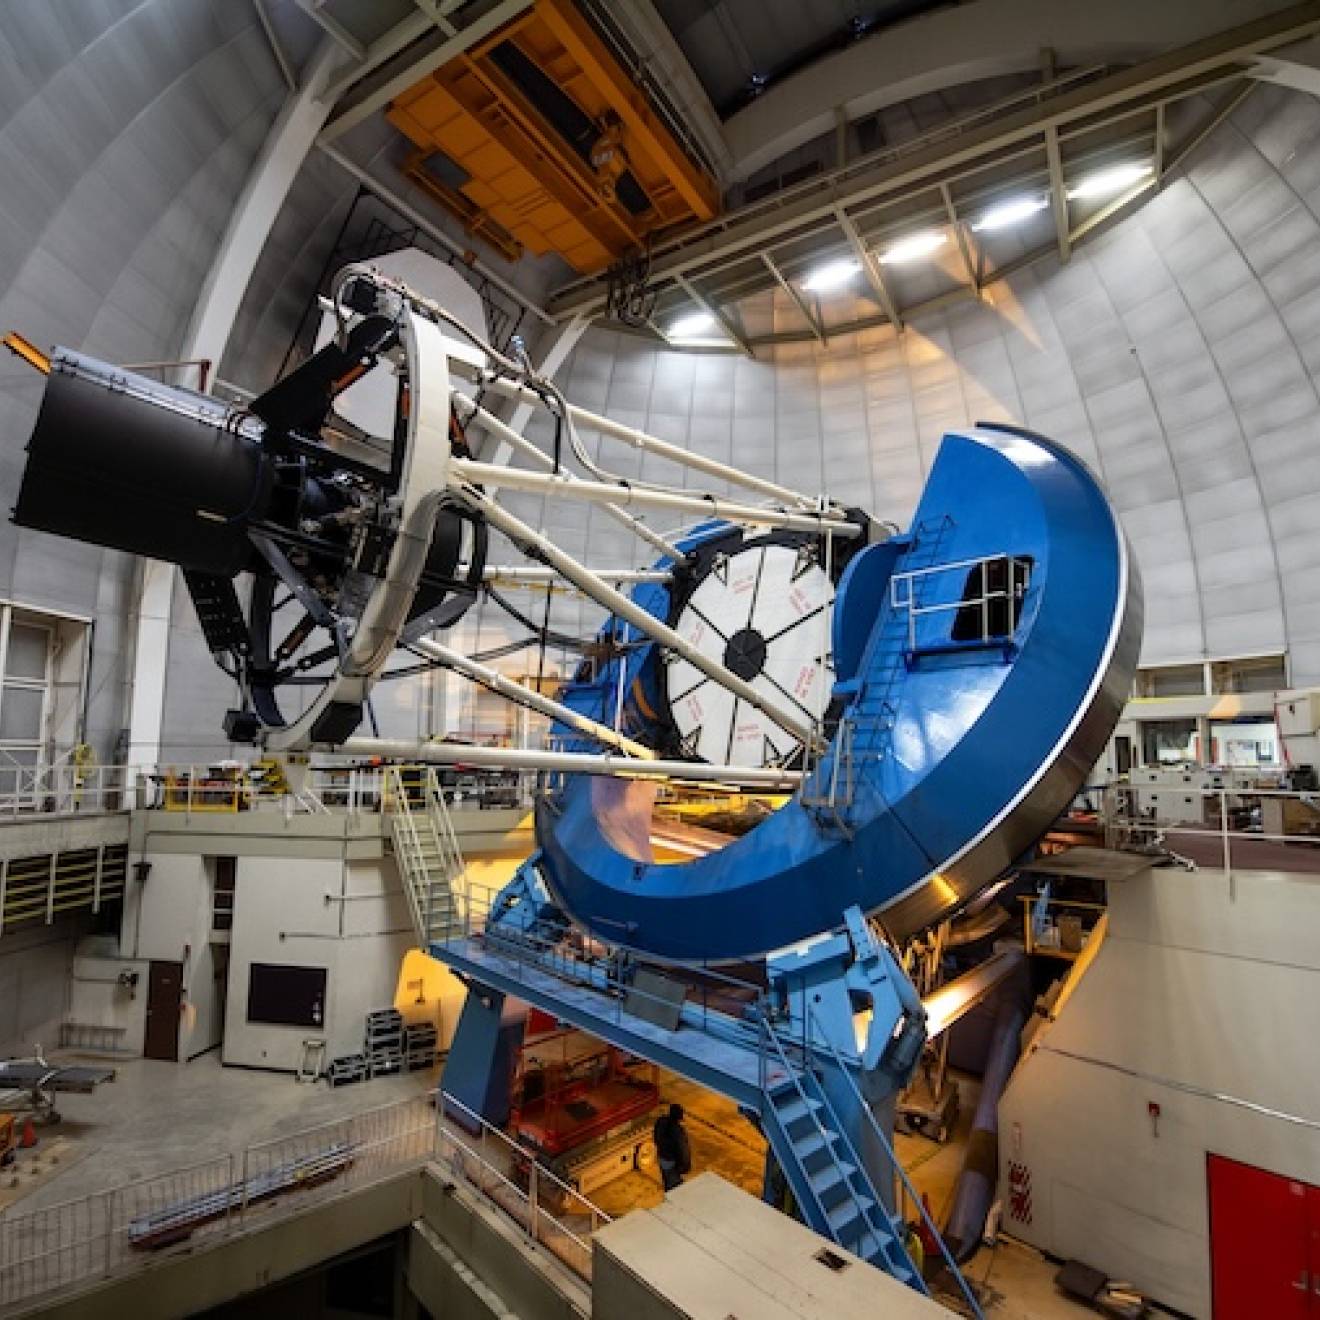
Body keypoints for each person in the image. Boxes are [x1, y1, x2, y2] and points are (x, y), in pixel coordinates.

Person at [653, 1102, 691, 1192]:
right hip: (672, 1162)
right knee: (675, 1188)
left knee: (667, 1180)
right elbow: (683, 1150)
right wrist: (685, 1167)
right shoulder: (678, 1131)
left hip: (662, 1158)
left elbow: (656, 1137)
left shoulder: (661, 1121)